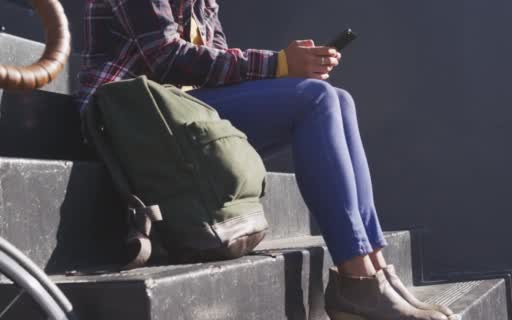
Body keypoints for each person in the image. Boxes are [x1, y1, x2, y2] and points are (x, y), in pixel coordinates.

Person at [77, 1, 454, 319]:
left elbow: (217, 62)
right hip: (134, 118)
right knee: (316, 99)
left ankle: (374, 270)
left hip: (185, 114)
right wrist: (278, 65)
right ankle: (356, 280)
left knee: (337, 98)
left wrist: (293, 67)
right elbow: (163, 57)